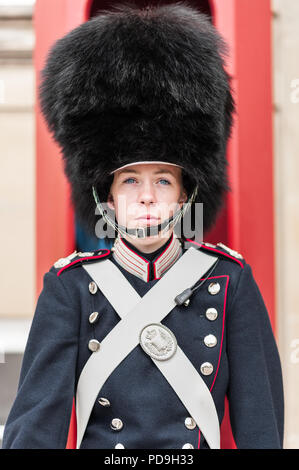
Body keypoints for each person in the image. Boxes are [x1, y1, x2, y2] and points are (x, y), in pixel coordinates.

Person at [2, 2, 284, 449]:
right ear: (107, 196)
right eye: (130, 179)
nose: (147, 195)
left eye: (163, 180)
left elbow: (260, 427)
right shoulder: (69, 287)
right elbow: (36, 427)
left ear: (185, 193)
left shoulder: (230, 282)